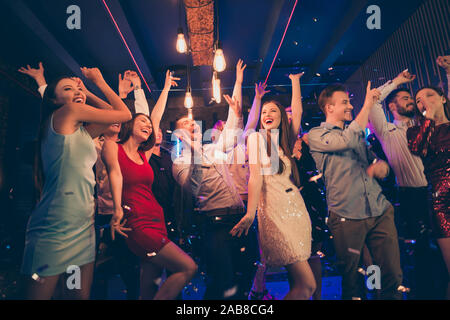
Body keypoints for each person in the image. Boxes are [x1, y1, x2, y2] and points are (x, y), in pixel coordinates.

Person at [20, 67, 132, 299]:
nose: (76, 92)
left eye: (76, 88)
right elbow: (124, 114)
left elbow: (114, 115)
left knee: (77, 296)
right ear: (53, 99)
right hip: (54, 224)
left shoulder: (82, 132)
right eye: (67, 89)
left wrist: (85, 92)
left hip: (83, 224)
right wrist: (99, 82)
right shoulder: (67, 112)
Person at [308, 82, 403, 300]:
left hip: (379, 210)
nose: (350, 106)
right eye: (345, 102)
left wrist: (381, 167)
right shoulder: (317, 135)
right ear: (329, 108)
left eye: (350, 102)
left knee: (389, 274)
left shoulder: (356, 132)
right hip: (346, 216)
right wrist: (368, 105)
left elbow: (377, 162)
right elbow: (346, 140)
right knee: (353, 280)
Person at [230, 72, 316, 300]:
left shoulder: (285, 142)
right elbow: (255, 177)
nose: (267, 115)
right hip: (275, 211)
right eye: (264, 112)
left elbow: (296, 112)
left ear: (282, 118)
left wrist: (295, 82)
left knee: (303, 284)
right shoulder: (256, 139)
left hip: (296, 210)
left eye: (273, 111)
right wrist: (250, 213)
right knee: (307, 285)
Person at [172, 78, 258, 300]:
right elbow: (194, 186)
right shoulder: (179, 161)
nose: (191, 124)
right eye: (184, 124)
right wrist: (192, 149)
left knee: (247, 271)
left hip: (239, 217)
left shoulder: (213, 148)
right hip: (215, 224)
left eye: (192, 123)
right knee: (223, 280)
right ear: (178, 135)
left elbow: (230, 134)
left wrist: (235, 112)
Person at [407, 85, 450, 299]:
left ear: (443, 98)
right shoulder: (415, 131)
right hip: (442, 203)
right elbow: (418, 148)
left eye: (430, 95)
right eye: (418, 100)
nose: (424, 101)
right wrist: (429, 119)